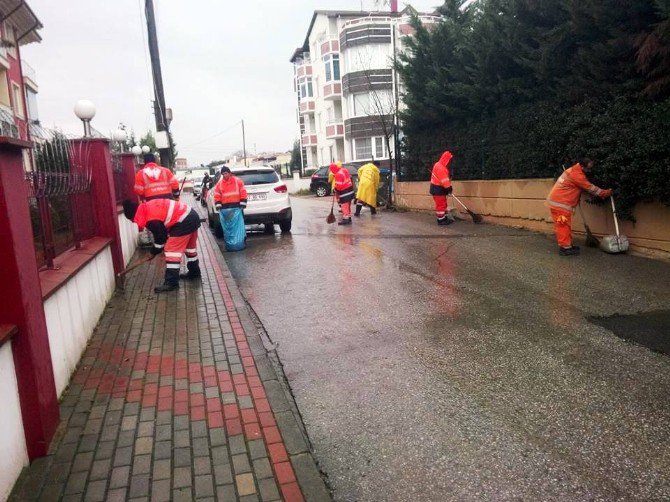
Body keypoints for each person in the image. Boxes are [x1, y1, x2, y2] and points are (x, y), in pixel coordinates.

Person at [122, 198, 201, 293]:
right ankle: (194, 273)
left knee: (171, 251)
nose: (133, 222)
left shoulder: (151, 218)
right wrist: (156, 249)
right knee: (190, 249)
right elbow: (162, 233)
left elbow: (161, 239)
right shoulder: (146, 208)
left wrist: (153, 252)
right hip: (191, 216)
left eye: (132, 220)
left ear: (134, 215)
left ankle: (171, 283)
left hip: (184, 221)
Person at [546, 158, 612, 256]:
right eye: (588, 169)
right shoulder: (577, 175)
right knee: (563, 226)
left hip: (559, 202)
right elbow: (590, 188)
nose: (589, 171)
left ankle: (568, 245)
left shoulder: (574, 170)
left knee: (565, 225)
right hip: (560, 204)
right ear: (582, 166)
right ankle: (565, 248)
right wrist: (604, 193)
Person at [213, 166, 247, 251]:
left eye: (226, 173)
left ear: (229, 173)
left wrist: (243, 203)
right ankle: (230, 244)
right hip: (226, 209)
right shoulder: (219, 184)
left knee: (239, 226)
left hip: (237, 207)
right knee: (228, 228)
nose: (225, 175)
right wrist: (218, 204)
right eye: (223, 174)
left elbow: (243, 191)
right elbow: (217, 195)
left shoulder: (237, 181)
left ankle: (241, 242)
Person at [429, 151, 454, 225]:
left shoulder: (438, 165)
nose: (450, 162)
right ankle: (441, 220)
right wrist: (449, 188)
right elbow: (444, 180)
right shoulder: (441, 168)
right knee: (441, 205)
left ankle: (444, 218)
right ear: (447, 159)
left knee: (443, 204)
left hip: (438, 189)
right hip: (438, 190)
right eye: (450, 160)